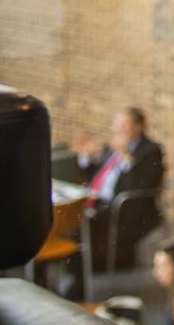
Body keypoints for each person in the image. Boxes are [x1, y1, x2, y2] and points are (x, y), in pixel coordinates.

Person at [71, 105, 165, 271]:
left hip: (124, 207)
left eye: (124, 124)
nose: (117, 129)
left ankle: (80, 274)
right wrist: (85, 155)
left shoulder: (150, 150)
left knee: (82, 223)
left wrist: (124, 155)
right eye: (116, 124)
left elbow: (141, 183)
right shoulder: (111, 146)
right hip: (97, 199)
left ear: (138, 126)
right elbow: (92, 175)